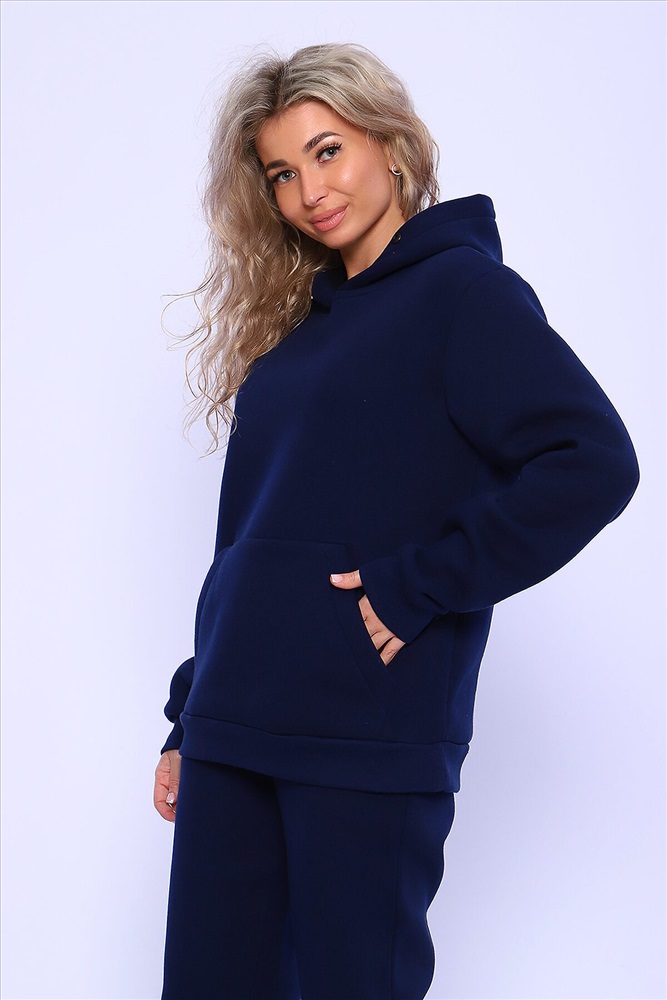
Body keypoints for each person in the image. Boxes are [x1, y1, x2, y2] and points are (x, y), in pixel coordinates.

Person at [153, 42, 639, 1000]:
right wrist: (188, 710)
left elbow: (591, 461)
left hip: (364, 733)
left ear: (390, 141)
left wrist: (419, 585)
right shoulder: (298, 339)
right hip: (232, 728)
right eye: (281, 173)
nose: (308, 192)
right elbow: (245, 541)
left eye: (327, 151)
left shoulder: (464, 295)